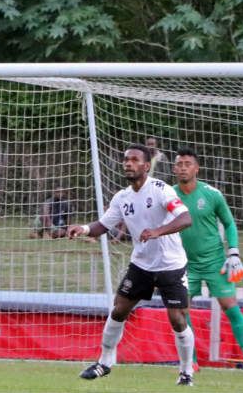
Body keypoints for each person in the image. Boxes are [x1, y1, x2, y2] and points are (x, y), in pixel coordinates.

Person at [68, 144, 194, 386]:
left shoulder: (161, 190)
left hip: (171, 265)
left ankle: (186, 372)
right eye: (126, 160)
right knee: (118, 309)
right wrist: (82, 228)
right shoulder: (122, 197)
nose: (128, 163)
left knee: (177, 319)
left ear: (146, 166)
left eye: (134, 160)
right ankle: (104, 363)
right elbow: (103, 226)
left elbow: (185, 218)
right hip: (141, 264)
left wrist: (158, 231)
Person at [173, 147, 243, 375]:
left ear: (196, 168)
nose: (183, 167)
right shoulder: (169, 195)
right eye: (179, 164)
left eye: (187, 164)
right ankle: (190, 362)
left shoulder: (212, 194)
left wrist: (233, 252)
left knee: (229, 306)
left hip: (214, 262)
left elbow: (229, 223)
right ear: (174, 168)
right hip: (183, 264)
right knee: (181, 311)